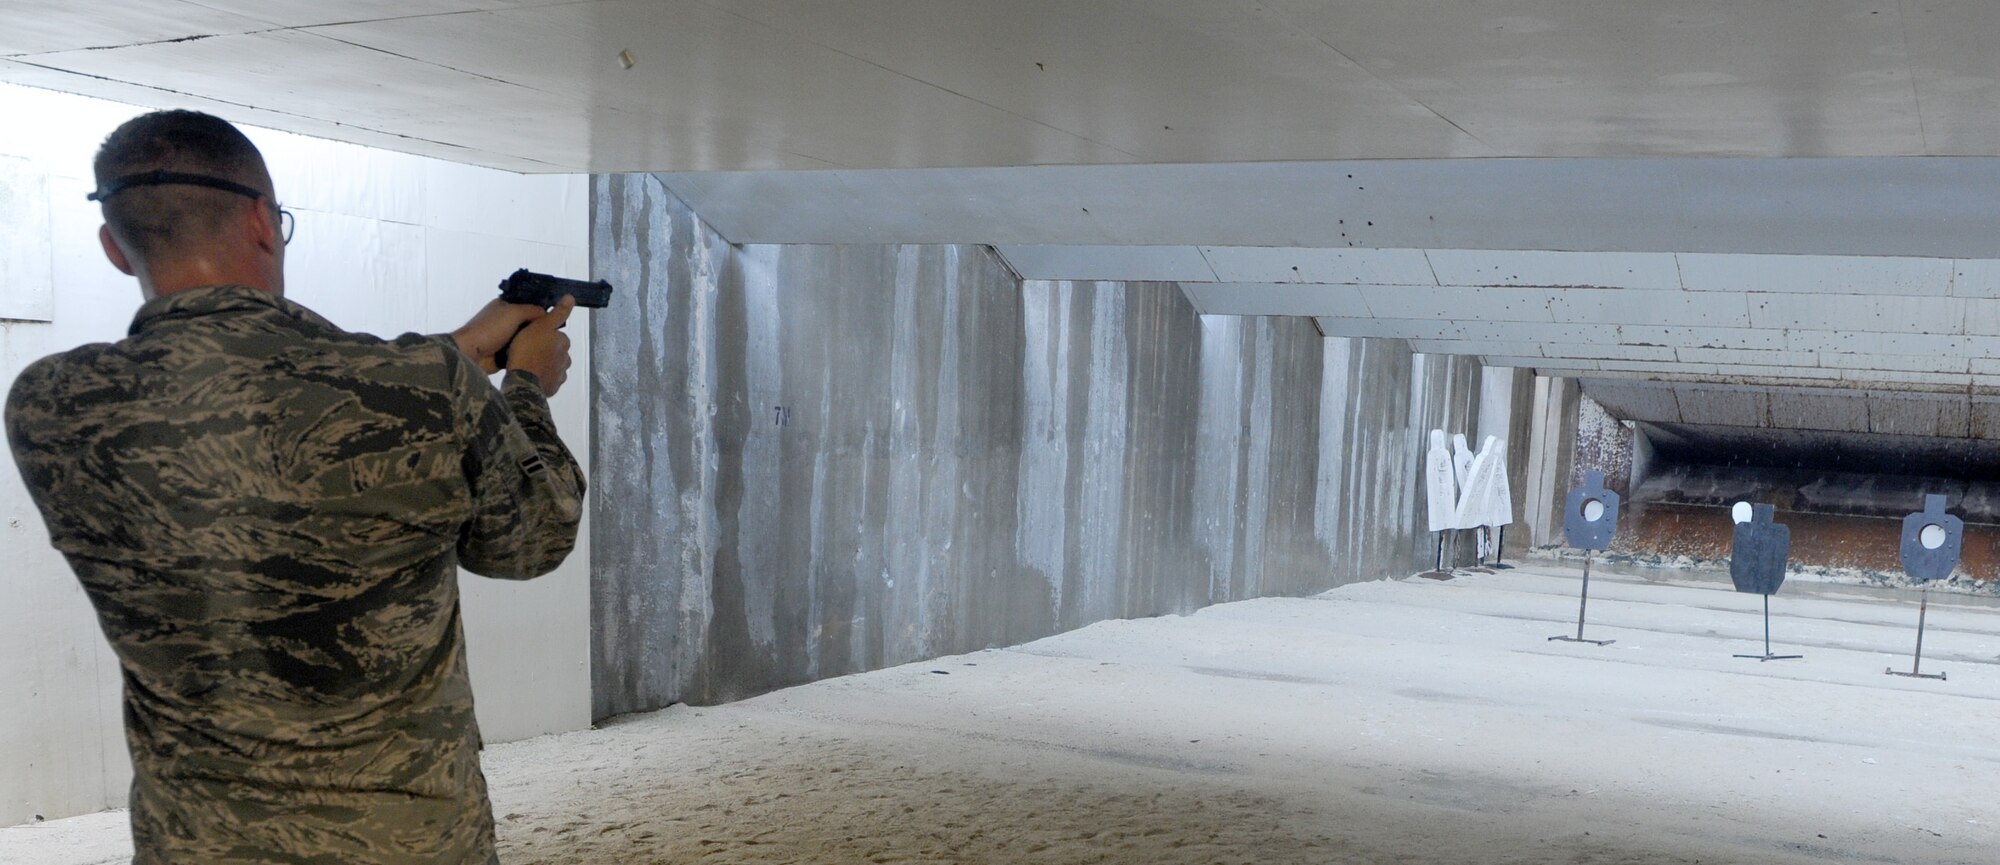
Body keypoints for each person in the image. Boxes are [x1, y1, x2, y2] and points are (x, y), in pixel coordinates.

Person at [3, 110, 585, 864]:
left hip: (196, 843)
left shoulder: (53, 404)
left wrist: (457, 353)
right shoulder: (426, 389)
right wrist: (527, 389)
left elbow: (269, 403)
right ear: (261, 222)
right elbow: (532, 539)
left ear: (115, 248)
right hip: (410, 841)